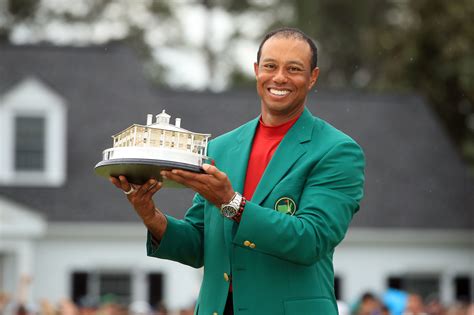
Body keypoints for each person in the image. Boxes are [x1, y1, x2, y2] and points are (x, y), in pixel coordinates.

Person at [110, 27, 365, 315]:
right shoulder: (221, 148)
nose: (279, 77)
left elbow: (310, 240)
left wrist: (231, 203)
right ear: (257, 70)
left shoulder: (336, 150)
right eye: (270, 66)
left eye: (293, 69)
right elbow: (198, 245)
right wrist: (149, 214)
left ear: (312, 77)